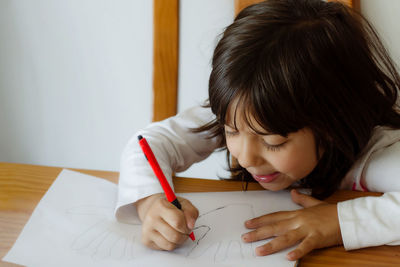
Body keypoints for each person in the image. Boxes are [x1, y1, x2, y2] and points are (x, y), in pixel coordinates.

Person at [115, 0, 400, 261]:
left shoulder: (376, 152)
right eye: (230, 131)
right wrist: (150, 201)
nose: (246, 157)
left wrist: (338, 222)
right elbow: (148, 143)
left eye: (273, 142)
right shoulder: (244, 112)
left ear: (332, 124)